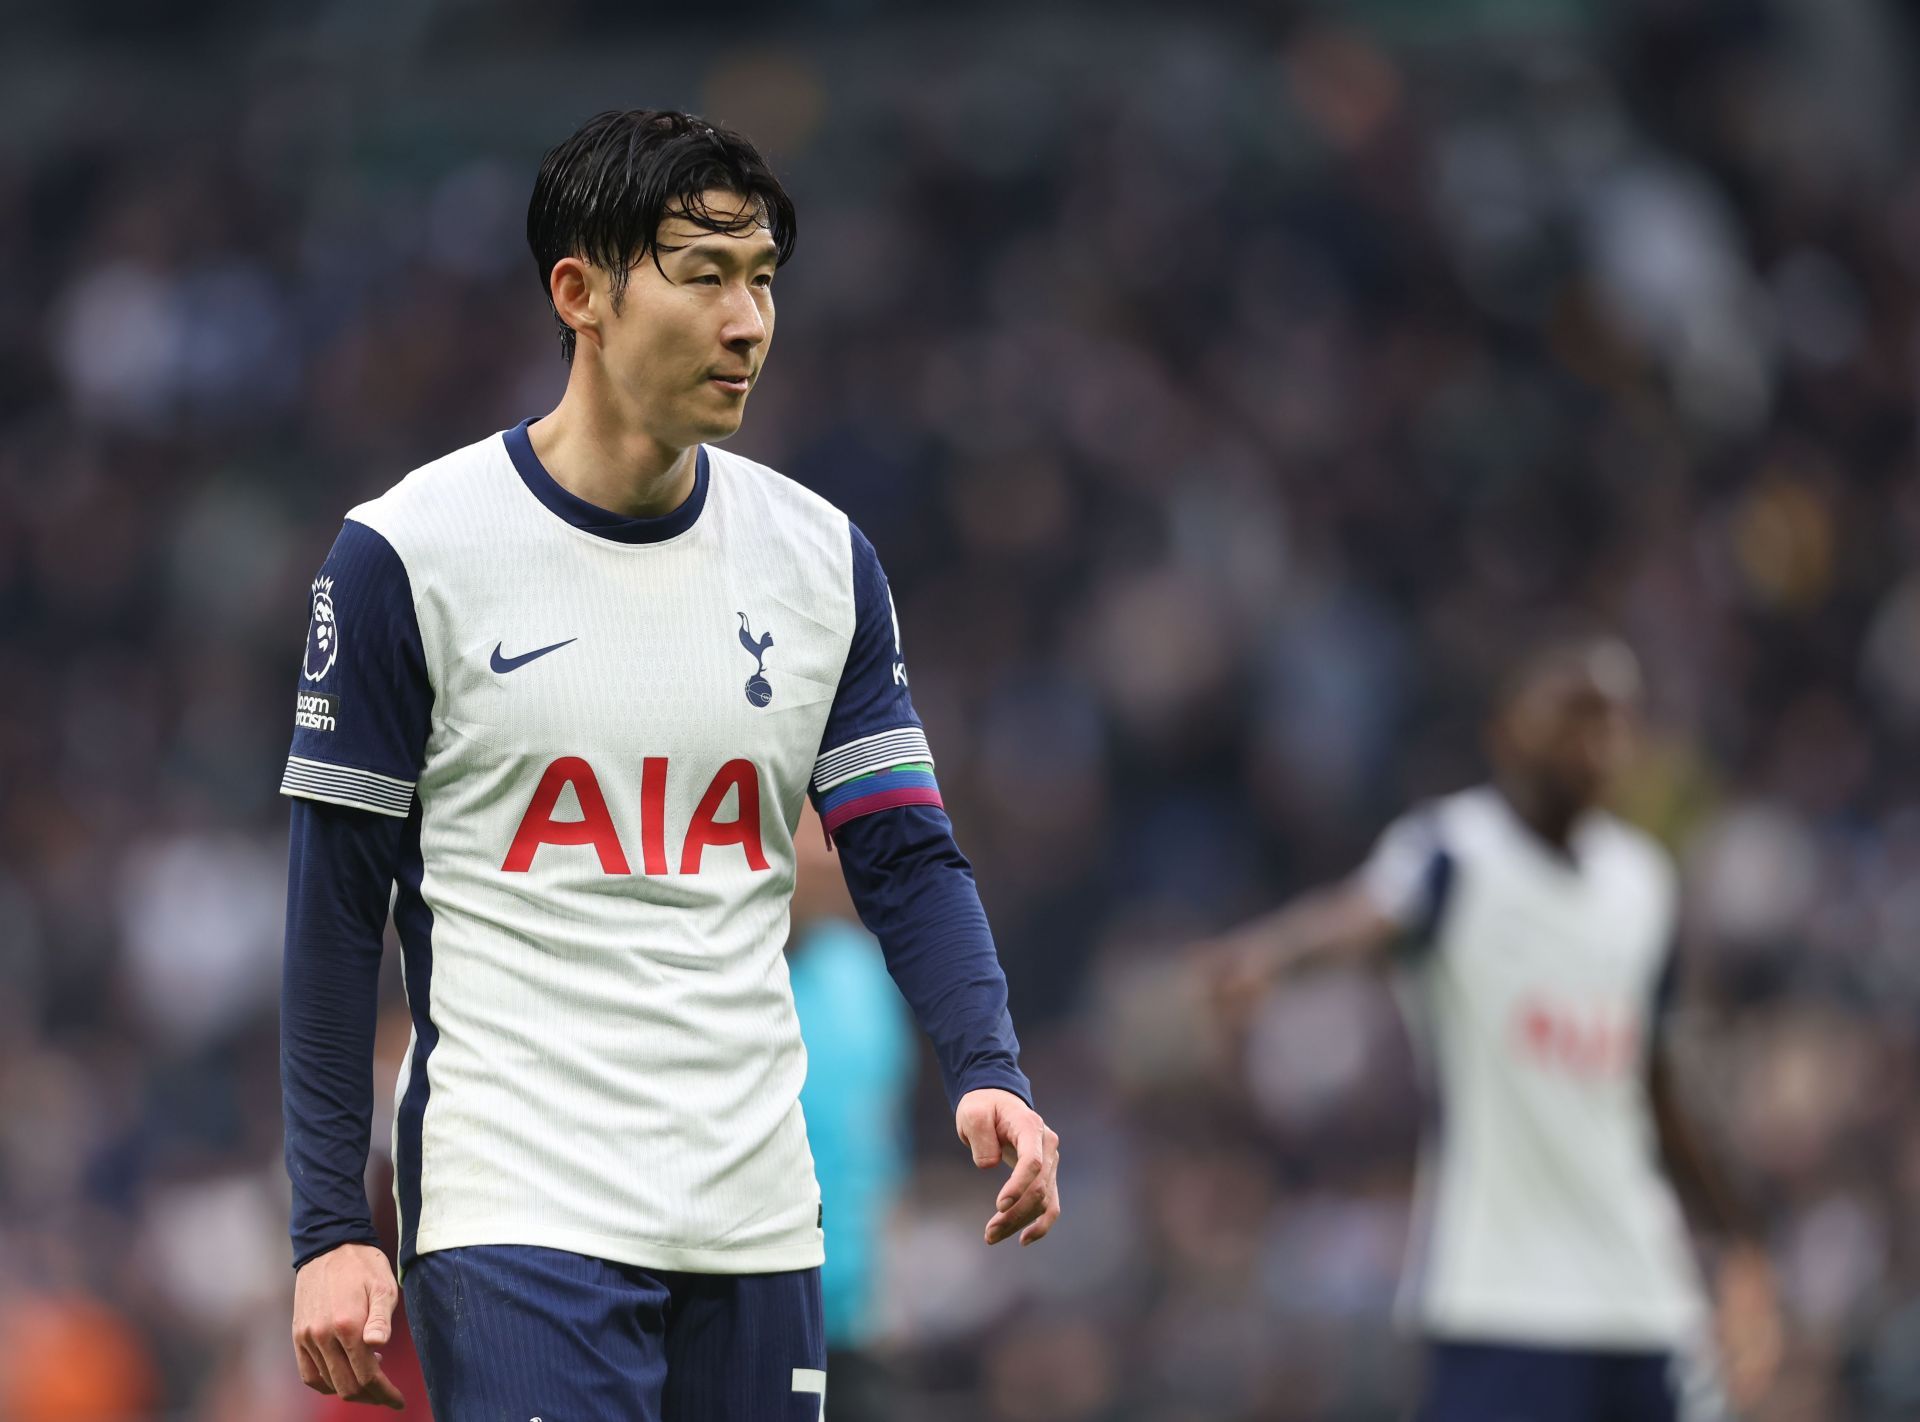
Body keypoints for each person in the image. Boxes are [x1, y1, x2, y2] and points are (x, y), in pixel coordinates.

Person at [278, 109, 1060, 1421]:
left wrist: (989, 1064)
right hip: (516, 1198)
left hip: (755, 1210)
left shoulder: (821, 561)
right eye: (705, 277)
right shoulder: (406, 556)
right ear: (579, 293)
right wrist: (324, 1225)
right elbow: (332, 913)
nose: (747, 319)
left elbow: (905, 851)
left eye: (761, 279)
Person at [1207, 636, 1781, 1422]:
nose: (1596, 744)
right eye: (1573, 720)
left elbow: (1655, 1085)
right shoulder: (1458, 855)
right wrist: (1273, 957)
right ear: (1506, 731)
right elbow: (1366, 916)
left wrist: (1739, 1248)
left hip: (1644, 1295)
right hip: (1506, 1295)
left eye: (1613, 722)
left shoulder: (1641, 885)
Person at [786, 801, 916, 1421]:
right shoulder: (705, 982)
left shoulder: (864, 972)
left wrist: (887, 1300)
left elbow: (883, 1145)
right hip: (737, 1312)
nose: (824, 853)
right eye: (808, 831)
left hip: (853, 1326)